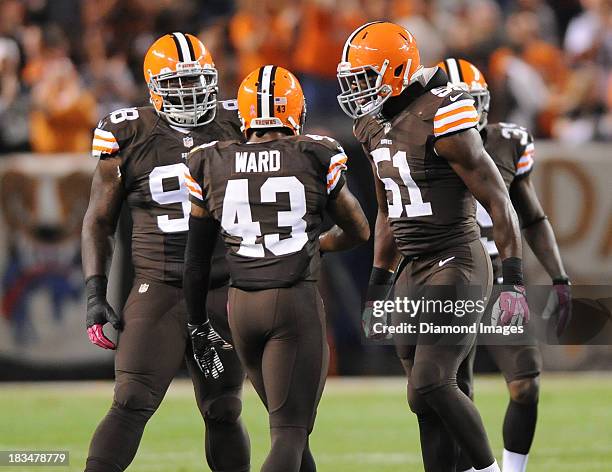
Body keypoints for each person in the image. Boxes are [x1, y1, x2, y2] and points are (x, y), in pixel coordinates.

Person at [337, 22, 528, 472]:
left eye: (367, 77)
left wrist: (514, 283)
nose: (358, 90)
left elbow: (500, 202)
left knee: (432, 380)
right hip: (412, 267)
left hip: (457, 259)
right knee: (421, 399)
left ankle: (490, 470)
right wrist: (377, 287)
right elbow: (386, 212)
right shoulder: (371, 126)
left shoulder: (444, 113)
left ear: (399, 71)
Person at [183, 65, 370, 472]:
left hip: (240, 308)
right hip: (292, 304)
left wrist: (197, 324)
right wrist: (317, 243)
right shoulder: (315, 152)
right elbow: (359, 229)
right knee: (289, 435)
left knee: (294, 437)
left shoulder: (208, 159)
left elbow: (195, 258)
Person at [81, 33, 250, 472]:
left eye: (197, 81)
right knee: (132, 398)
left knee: (223, 408)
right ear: (153, 86)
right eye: (178, 83)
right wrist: (95, 292)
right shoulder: (127, 131)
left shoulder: (239, 122)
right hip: (160, 285)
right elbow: (99, 220)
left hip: (221, 287)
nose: (190, 93)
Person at [439, 57, 572, 472]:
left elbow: (530, 216)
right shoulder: (422, 143)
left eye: (473, 101)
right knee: (452, 389)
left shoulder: (508, 141)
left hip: (499, 274)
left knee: (525, 384)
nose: (468, 110)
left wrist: (559, 276)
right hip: (449, 271)